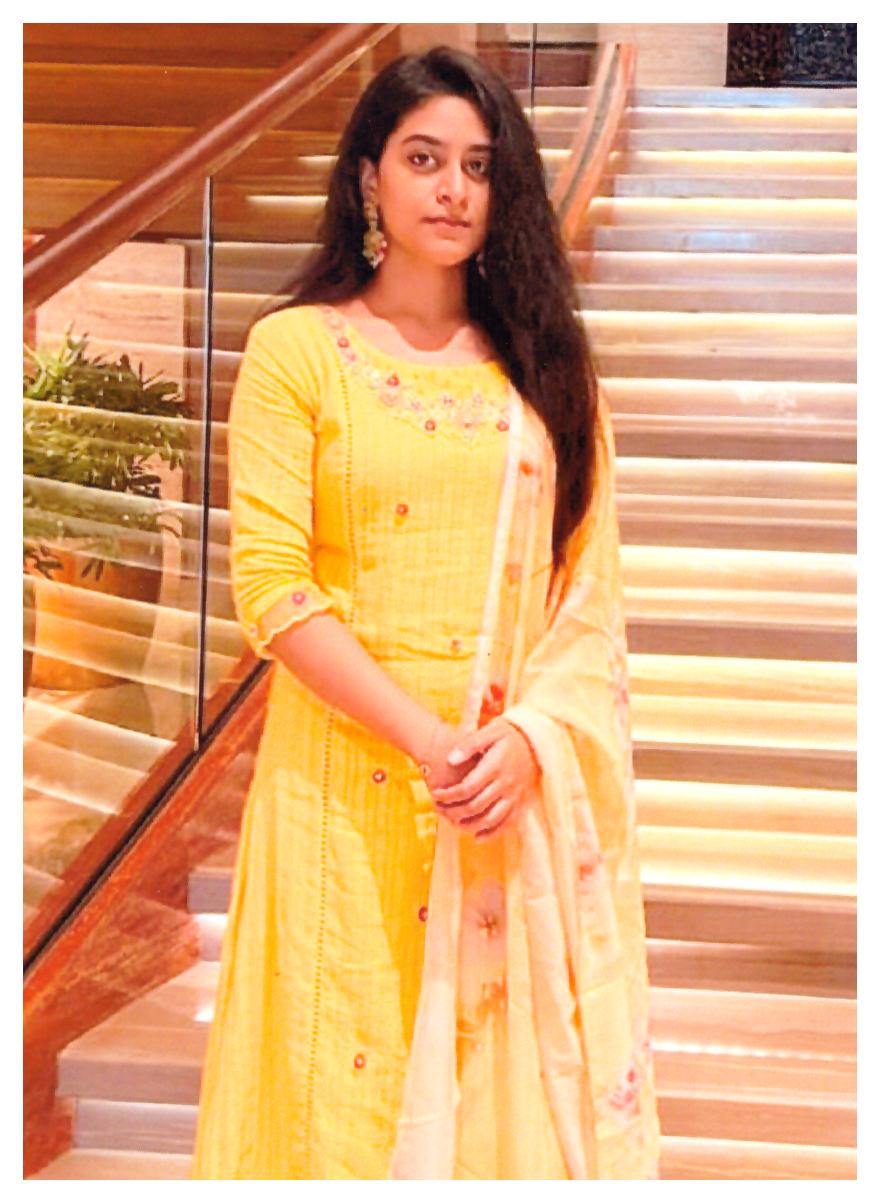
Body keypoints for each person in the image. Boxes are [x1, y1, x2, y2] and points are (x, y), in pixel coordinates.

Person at [191, 45, 661, 1180]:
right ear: (368, 177)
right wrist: (430, 742)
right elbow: (273, 588)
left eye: (479, 166)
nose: (453, 189)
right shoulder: (298, 352)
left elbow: (586, 600)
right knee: (333, 1103)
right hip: (341, 800)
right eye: (423, 159)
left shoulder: (546, 375)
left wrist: (525, 741)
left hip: (499, 798)